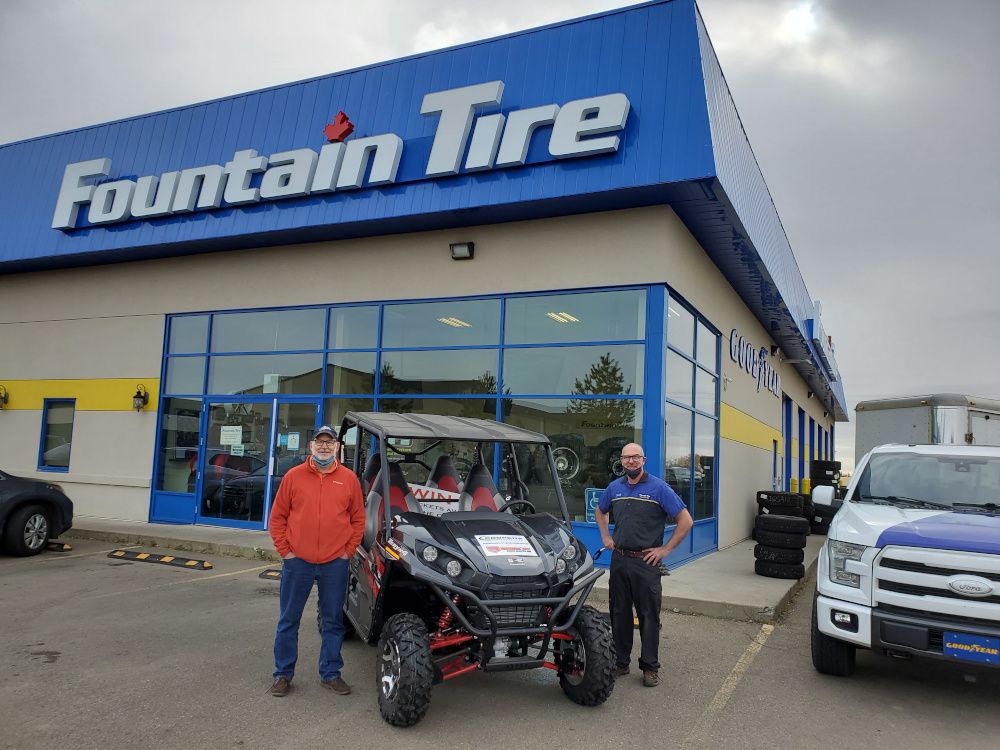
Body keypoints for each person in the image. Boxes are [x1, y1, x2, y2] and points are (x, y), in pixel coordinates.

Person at [268, 425, 365, 698]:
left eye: (329, 442)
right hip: (298, 562)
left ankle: (330, 674)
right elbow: (277, 518)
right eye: (320, 442)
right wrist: (286, 551)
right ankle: (282, 675)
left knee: (333, 620)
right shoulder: (293, 477)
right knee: (289, 620)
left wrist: (347, 551)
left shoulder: (348, 480)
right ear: (311, 446)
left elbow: (358, 519)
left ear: (337, 447)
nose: (324, 447)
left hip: (335, 563)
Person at [595, 443, 693, 688]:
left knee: (649, 616)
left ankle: (650, 667)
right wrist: (606, 537)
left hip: (645, 564)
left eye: (635, 457)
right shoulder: (614, 487)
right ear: (622, 460)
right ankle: (620, 662)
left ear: (644, 459)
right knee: (619, 614)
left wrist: (665, 550)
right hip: (619, 560)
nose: (630, 461)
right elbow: (600, 511)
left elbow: (686, 520)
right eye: (627, 457)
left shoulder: (659, 488)